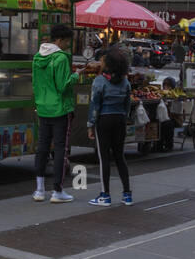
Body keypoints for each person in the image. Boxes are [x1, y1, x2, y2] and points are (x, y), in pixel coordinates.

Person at [32, 23, 81, 202]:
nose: (68, 45)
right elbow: (63, 86)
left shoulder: (37, 57)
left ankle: (39, 190)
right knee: (61, 148)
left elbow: (36, 84)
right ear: (60, 40)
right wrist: (75, 76)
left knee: (42, 148)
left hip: (43, 108)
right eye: (67, 41)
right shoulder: (61, 59)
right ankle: (58, 191)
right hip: (60, 109)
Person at [87, 48, 134, 206]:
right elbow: (128, 104)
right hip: (120, 119)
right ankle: (127, 194)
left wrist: (90, 124)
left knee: (104, 158)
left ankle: (105, 195)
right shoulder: (125, 81)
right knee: (120, 157)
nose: (101, 61)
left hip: (104, 120)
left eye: (103, 60)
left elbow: (95, 104)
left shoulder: (100, 80)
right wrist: (125, 118)